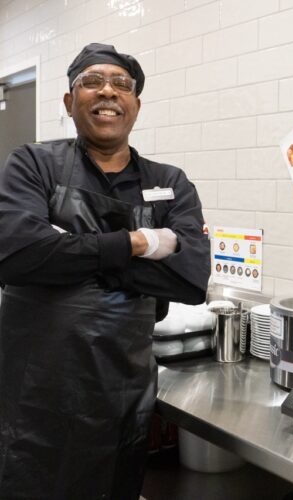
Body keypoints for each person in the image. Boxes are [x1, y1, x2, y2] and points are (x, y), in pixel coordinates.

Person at [0, 43, 210, 499]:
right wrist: (138, 243)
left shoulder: (169, 183)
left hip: (119, 392)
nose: (107, 92)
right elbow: (16, 255)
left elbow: (191, 279)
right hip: (35, 392)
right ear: (69, 101)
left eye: (121, 84)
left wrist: (69, 250)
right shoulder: (33, 164)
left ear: (136, 104)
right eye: (91, 82)